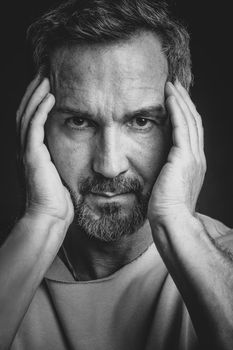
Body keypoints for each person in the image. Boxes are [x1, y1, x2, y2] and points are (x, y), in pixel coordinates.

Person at [0, 0, 233, 349]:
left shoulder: (222, 260)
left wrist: (177, 224)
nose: (109, 166)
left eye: (141, 122)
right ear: (38, 129)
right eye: (79, 122)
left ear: (182, 128)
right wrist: (42, 220)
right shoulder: (13, 263)